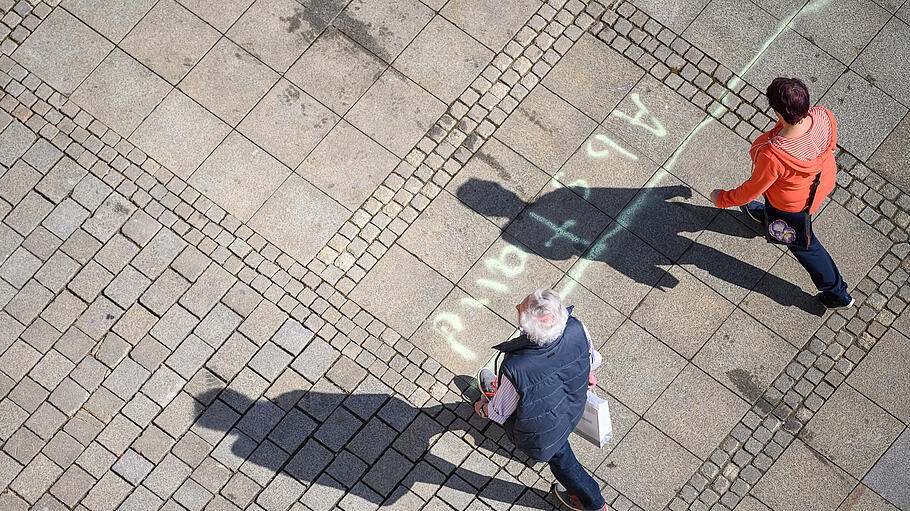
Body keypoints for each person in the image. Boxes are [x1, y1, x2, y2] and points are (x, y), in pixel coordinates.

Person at [710, 77, 854, 310]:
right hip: (821, 182)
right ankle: (767, 217)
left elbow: (750, 190)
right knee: (775, 212)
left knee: (804, 245)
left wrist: (722, 198)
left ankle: (837, 292)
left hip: (792, 205)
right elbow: (831, 144)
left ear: (777, 111)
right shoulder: (823, 116)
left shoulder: (774, 155)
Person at [474, 288, 605, 511]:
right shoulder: (576, 327)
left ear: (530, 329)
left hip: (543, 429)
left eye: (521, 309)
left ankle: (593, 504)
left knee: (562, 460)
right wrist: (588, 375)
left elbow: (501, 413)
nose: (516, 307)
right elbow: (593, 359)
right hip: (572, 403)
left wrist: (484, 408)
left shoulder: (517, 367)